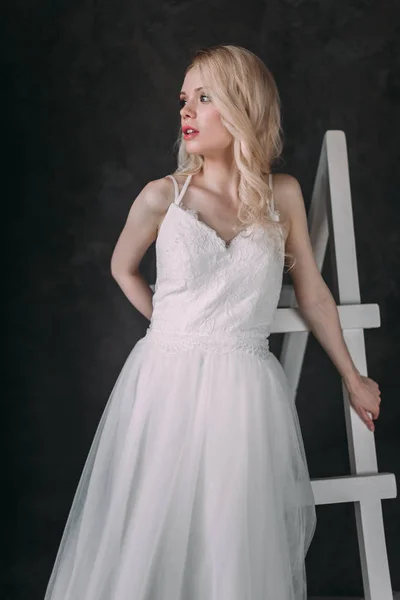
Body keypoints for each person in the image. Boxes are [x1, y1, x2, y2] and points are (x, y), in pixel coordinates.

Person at [44, 44, 381, 600]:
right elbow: (122, 268)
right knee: (153, 524)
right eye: (184, 99)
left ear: (243, 106)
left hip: (245, 391)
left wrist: (353, 376)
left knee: (230, 537)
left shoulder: (283, 196)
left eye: (205, 97)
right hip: (166, 381)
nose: (187, 112)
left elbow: (313, 291)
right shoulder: (163, 196)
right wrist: (173, 327)